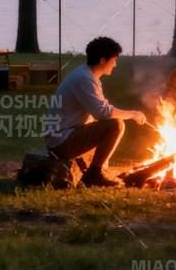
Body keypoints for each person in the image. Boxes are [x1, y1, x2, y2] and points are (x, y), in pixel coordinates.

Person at [43, 35, 146, 186]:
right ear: (103, 60)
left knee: (111, 124)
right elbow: (102, 113)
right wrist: (133, 114)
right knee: (116, 125)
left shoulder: (87, 76)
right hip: (61, 140)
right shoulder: (85, 78)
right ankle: (94, 174)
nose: (115, 64)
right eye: (114, 60)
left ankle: (96, 171)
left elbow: (99, 112)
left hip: (65, 135)